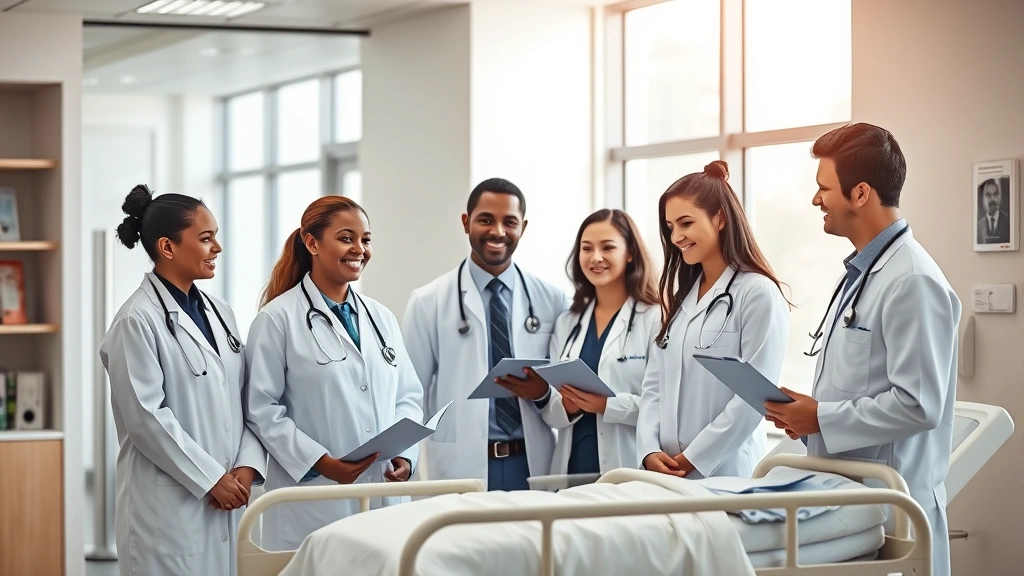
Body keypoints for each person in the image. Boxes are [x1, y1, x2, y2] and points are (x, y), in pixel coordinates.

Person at [764, 123, 960, 576]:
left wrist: (821, 418)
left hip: (890, 513)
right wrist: (806, 416)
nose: (816, 200)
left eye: (823, 188)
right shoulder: (864, 273)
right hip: (850, 499)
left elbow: (919, 405)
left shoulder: (913, 281)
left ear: (860, 193)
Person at [99, 185, 266, 576]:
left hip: (227, 494)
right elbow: (147, 418)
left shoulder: (220, 312)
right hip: (169, 509)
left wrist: (245, 466)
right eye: (206, 239)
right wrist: (211, 479)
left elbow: (242, 397)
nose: (217, 248)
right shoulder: (135, 321)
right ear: (168, 247)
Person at [244, 195, 423, 551]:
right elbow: (262, 411)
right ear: (312, 243)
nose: (359, 249)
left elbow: (408, 395)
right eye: (346, 238)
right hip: (315, 499)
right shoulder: (277, 319)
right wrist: (323, 463)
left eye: (366, 239)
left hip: (381, 493)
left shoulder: (381, 318)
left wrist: (405, 456)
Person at [403, 178, 569, 491]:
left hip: (532, 462)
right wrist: (405, 459)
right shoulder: (428, 302)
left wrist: (543, 392)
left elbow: (565, 389)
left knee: (534, 541)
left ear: (524, 227)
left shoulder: (553, 300)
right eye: (485, 220)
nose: (497, 232)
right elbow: (412, 395)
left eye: (510, 222)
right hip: (460, 465)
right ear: (466, 223)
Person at [636, 160, 790, 480]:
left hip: (725, 471)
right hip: (666, 473)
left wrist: (695, 457)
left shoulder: (757, 293)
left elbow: (754, 395)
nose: (676, 236)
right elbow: (654, 385)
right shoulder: (683, 299)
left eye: (686, 223)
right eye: (670, 227)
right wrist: (649, 450)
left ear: (719, 218)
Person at [501, 209, 661, 476]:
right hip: (572, 470)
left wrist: (605, 405)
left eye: (607, 247)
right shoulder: (568, 322)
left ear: (630, 253)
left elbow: (664, 408)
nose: (595, 257)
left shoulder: (654, 318)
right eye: (587, 248)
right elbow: (552, 414)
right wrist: (566, 405)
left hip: (629, 469)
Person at [976, 178, 1010, 244]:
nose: (993, 199)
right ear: (983, 198)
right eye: (988, 195)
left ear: (999, 196)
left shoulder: (1008, 221)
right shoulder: (979, 225)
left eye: (995, 194)